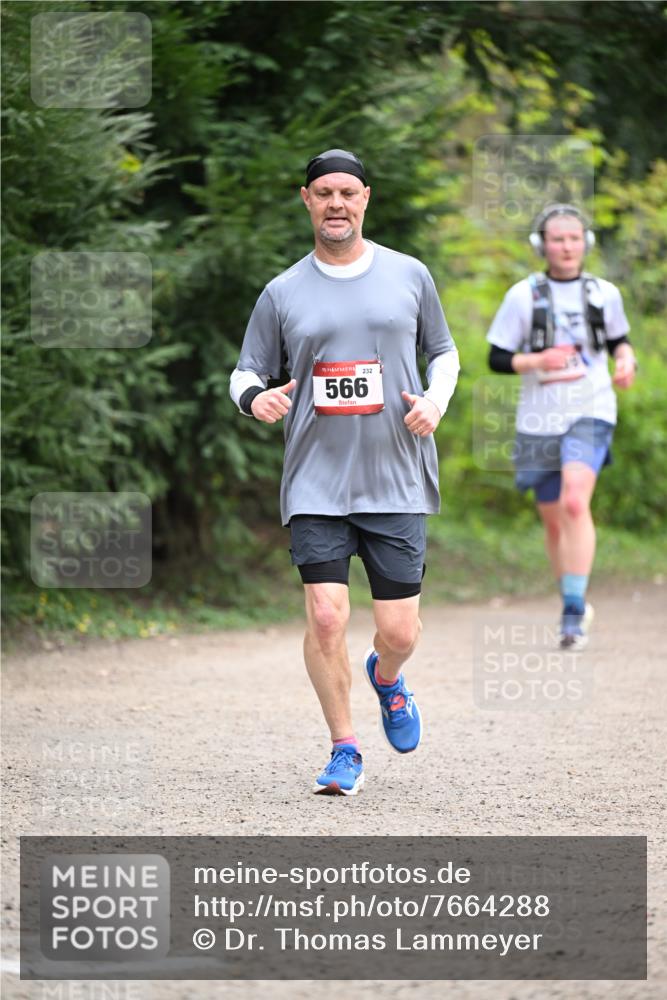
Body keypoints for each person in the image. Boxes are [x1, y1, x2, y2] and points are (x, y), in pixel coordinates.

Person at [230, 149, 459, 795]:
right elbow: (245, 370)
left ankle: (386, 678)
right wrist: (257, 398)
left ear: (365, 199)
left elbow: (443, 352)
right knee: (326, 617)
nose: (336, 203)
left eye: (347, 193)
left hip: (395, 476)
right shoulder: (282, 291)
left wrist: (435, 402)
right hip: (315, 480)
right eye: (324, 192)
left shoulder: (408, 276)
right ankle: (344, 749)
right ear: (306, 198)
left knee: (398, 631)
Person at [487, 203, 637, 648]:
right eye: (558, 239)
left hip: (591, 409)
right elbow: (495, 357)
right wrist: (537, 360)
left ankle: (572, 613)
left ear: (585, 243)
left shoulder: (603, 294)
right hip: (539, 418)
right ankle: (572, 594)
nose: (567, 246)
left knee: (575, 502)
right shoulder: (522, 295)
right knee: (553, 522)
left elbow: (619, 341)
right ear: (542, 245)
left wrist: (626, 360)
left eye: (574, 238)